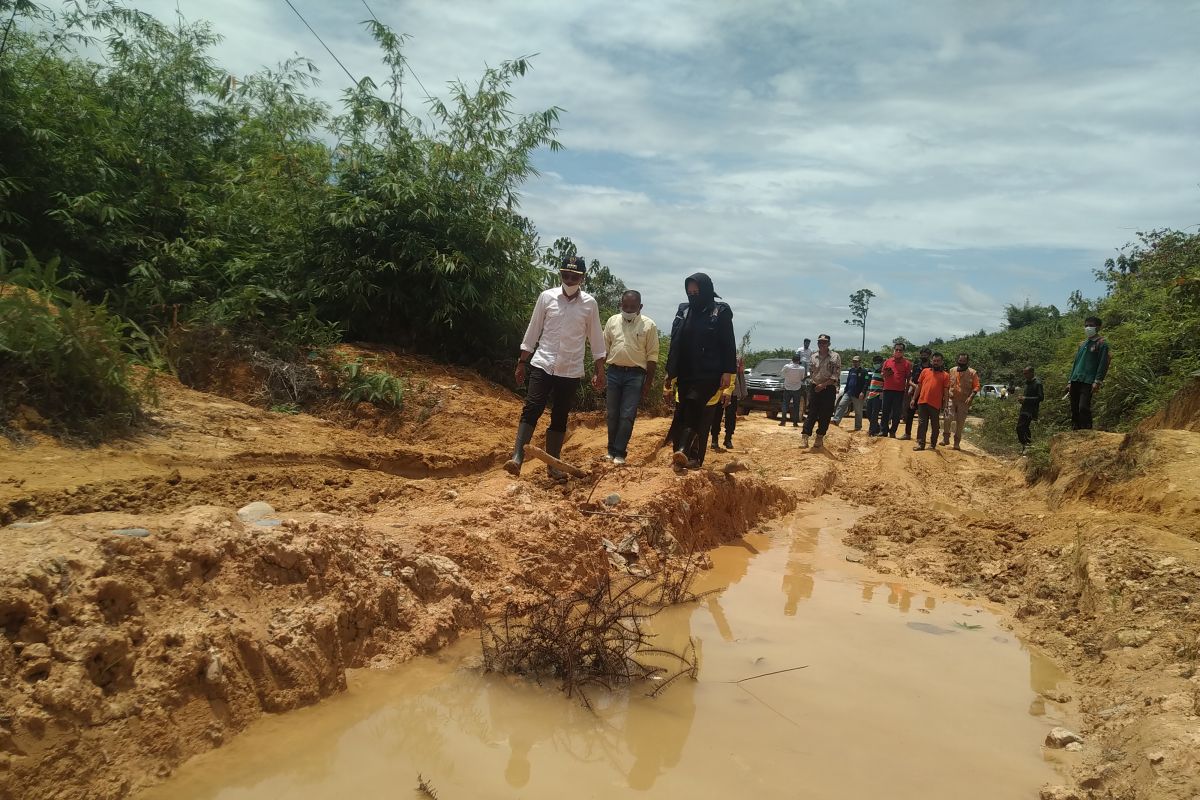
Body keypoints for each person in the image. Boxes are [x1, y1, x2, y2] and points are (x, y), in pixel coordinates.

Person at [504, 254, 606, 479]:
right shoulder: (546, 297)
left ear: (583, 278)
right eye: (565, 274)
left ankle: (553, 466)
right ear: (560, 274)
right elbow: (533, 331)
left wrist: (600, 370)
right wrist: (522, 362)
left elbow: (596, 340)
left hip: (570, 369)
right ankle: (517, 458)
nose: (569, 279)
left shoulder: (590, 304)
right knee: (532, 407)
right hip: (543, 363)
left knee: (560, 415)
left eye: (575, 276)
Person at [664, 273, 736, 468]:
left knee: (696, 410)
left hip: (709, 372)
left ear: (706, 291)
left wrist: (728, 371)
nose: (693, 296)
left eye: (697, 292)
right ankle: (679, 456)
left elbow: (729, 343)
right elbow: (675, 342)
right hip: (686, 371)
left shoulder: (720, 311)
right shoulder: (684, 310)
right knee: (681, 412)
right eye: (690, 292)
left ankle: (689, 454)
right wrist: (670, 372)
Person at [603, 290, 659, 466]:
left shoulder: (648, 326)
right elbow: (604, 349)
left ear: (640, 307)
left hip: (635, 376)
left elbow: (652, 356)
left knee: (627, 415)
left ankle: (620, 452)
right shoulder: (612, 321)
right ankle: (611, 450)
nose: (628, 309)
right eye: (625, 306)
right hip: (613, 372)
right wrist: (599, 372)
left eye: (632, 307)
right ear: (621, 305)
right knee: (612, 414)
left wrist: (648, 383)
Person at [1068, 316, 1110, 430]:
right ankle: (1075, 430)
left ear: (1098, 327)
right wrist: (1069, 380)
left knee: (1083, 407)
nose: (1087, 328)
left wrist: (1098, 381)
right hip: (1076, 379)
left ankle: (1086, 430)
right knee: (1074, 408)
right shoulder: (1082, 344)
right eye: (1086, 325)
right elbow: (1076, 363)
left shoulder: (1101, 344)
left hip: (1088, 380)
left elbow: (1103, 363)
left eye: (1091, 325)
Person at [801, 334, 842, 448]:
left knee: (825, 414)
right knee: (811, 412)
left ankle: (819, 437)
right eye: (820, 342)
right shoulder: (813, 356)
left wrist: (823, 385)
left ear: (829, 344)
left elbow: (835, 375)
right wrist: (814, 384)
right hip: (815, 388)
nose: (822, 344)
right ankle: (805, 436)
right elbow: (811, 372)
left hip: (828, 388)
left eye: (824, 342)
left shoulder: (835, 356)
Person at [910, 352, 950, 451]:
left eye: (938, 361)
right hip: (922, 402)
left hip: (935, 404)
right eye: (934, 360)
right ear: (931, 361)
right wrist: (913, 399)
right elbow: (919, 386)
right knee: (922, 424)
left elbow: (946, 392)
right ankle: (921, 444)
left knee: (935, 426)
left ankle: (932, 444)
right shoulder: (925, 372)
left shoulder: (945, 375)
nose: (936, 362)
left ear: (942, 362)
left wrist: (946, 406)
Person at [942, 352, 980, 450]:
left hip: (964, 401)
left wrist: (971, 397)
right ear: (957, 360)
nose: (961, 362)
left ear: (967, 362)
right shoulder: (952, 370)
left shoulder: (972, 373)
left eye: (964, 361)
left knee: (960, 422)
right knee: (947, 417)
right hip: (952, 398)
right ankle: (946, 438)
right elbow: (947, 383)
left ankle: (956, 442)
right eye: (960, 360)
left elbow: (977, 386)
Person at [711, 357, 747, 450]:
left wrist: (742, 391)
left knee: (730, 416)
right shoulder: (716, 357)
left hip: (733, 392)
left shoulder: (736, 359)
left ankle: (728, 439)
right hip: (718, 391)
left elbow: (739, 376)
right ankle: (714, 439)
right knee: (716, 415)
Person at [880, 342, 912, 437]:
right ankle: (883, 431)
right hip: (887, 390)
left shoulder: (907, 363)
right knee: (885, 411)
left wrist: (907, 391)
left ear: (903, 352)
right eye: (896, 349)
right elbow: (882, 374)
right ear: (893, 350)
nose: (898, 351)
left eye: (900, 350)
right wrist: (886, 373)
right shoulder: (887, 361)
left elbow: (908, 378)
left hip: (899, 392)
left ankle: (893, 431)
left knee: (896, 413)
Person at [901, 347, 932, 440]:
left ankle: (922, 437)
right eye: (922, 355)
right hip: (915, 394)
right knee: (909, 414)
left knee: (924, 418)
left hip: (927, 395)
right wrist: (917, 387)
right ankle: (907, 434)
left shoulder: (932, 368)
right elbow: (910, 381)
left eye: (925, 355)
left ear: (929, 356)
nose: (923, 357)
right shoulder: (916, 367)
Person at [832, 355, 868, 429]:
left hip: (858, 394)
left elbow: (866, 383)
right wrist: (845, 391)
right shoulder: (851, 370)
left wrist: (863, 392)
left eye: (856, 361)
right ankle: (835, 421)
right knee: (841, 405)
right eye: (854, 361)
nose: (855, 363)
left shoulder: (864, 372)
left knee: (858, 411)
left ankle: (858, 427)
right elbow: (848, 381)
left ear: (859, 362)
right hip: (848, 392)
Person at [1016, 365, 1044, 453]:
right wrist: (1022, 399)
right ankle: (1027, 446)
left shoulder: (1037, 383)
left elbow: (1040, 398)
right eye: (1024, 374)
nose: (1025, 375)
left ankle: (1027, 445)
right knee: (1025, 428)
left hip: (1031, 410)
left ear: (1032, 373)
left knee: (1020, 428)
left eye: (1026, 373)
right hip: (1024, 409)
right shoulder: (1027, 383)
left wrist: (1026, 399)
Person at [779, 352, 807, 427]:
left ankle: (783, 421)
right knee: (796, 406)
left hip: (787, 388)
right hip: (797, 388)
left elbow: (782, 375)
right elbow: (802, 378)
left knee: (785, 404)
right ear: (799, 360)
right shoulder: (802, 368)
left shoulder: (787, 366)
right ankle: (795, 422)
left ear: (792, 360)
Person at [865, 355, 886, 436]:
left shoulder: (883, 372)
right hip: (871, 395)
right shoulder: (875, 371)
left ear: (881, 363)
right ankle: (877, 428)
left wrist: (882, 393)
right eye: (874, 363)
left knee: (874, 414)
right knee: (868, 413)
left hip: (878, 395)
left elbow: (886, 383)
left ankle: (872, 431)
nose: (875, 364)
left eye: (877, 363)